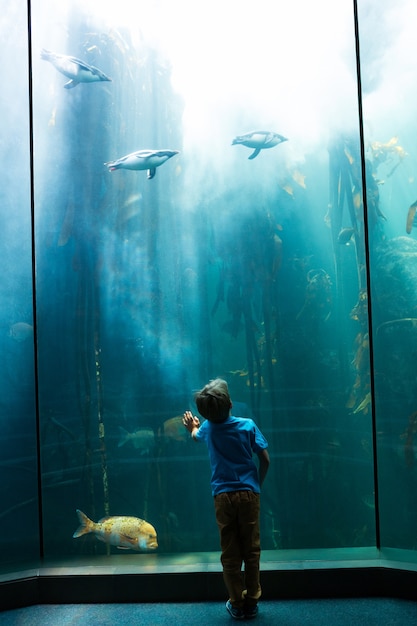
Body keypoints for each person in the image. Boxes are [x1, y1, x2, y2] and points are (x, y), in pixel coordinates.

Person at [183, 378, 270, 620]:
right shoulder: (248, 425)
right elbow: (265, 460)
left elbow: (195, 436)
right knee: (251, 550)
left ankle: (236, 601)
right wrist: (256, 486)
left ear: (204, 412)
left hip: (223, 497)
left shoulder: (208, 428)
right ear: (231, 403)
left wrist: (192, 426)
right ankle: (252, 600)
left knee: (230, 552)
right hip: (249, 494)